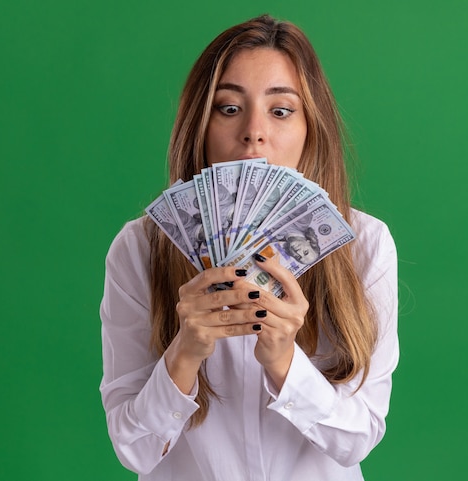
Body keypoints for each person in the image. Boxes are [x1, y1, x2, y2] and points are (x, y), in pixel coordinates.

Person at [100, 14, 398, 481]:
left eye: (280, 110)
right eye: (229, 107)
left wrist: (284, 361)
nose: (254, 132)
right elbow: (132, 449)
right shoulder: (139, 249)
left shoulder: (364, 246)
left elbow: (359, 437)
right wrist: (186, 350)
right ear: (200, 123)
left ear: (309, 128)